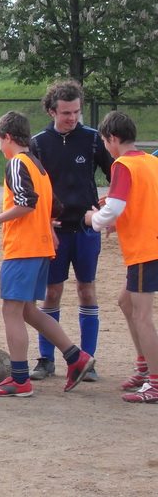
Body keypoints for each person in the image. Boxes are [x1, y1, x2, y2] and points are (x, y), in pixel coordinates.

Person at [0, 111, 95, 396]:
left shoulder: (17, 163)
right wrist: (47, 225)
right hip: (40, 247)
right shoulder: (36, 164)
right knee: (29, 310)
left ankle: (19, 379)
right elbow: (55, 207)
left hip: (23, 247)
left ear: (8, 137)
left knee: (11, 310)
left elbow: (26, 202)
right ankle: (75, 356)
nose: (0, 147)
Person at [29, 79, 112, 381]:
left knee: (86, 291)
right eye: (66, 113)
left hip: (86, 231)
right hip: (55, 232)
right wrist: (43, 221)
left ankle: (87, 360)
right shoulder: (38, 143)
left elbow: (118, 174)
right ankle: (46, 359)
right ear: (52, 111)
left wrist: (109, 206)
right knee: (51, 293)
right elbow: (31, 189)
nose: (72, 117)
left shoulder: (92, 139)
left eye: (76, 111)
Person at [85, 111, 158, 402]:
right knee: (125, 302)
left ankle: (155, 382)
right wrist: (117, 217)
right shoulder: (151, 161)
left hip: (144, 249)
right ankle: (144, 367)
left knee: (142, 316)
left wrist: (95, 219)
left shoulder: (122, 165)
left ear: (112, 138)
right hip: (149, 246)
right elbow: (141, 200)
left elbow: (114, 207)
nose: (106, 147)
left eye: (105, 142)